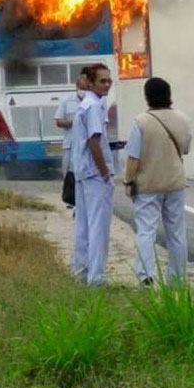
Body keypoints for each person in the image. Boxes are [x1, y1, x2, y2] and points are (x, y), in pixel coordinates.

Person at [123, 77, 192, 286]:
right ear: (169, 95)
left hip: (148, 185)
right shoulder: (183, 119)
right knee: (177, 233)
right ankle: (177, 279)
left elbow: (133, 157)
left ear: (147, 97)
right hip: (175, 183)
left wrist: (129, 182)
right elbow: (186, 149)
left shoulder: (141, 122)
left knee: (146, 231)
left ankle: (146, 276)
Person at [69, 63, 114, 285]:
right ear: (90, 82)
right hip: (95, 175)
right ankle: (96, 278)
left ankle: (80, 272)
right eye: (102, 81)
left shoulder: (84, 105)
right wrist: (105, 172)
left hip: (82, 172)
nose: (107, 85)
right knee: (99, 228)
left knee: (84, 226)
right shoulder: (94, 106)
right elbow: (94, 141)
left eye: (109, 80)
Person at [55, 69, 90, 189]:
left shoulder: (93, 102)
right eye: (82, 84)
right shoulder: (67, 101)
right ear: (77, 85)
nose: (84, 88)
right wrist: (74, 122)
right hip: (70, 143)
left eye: (87, 84)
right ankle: (70, 198)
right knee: (69, 172)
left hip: (87, 144)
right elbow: (58, 121)